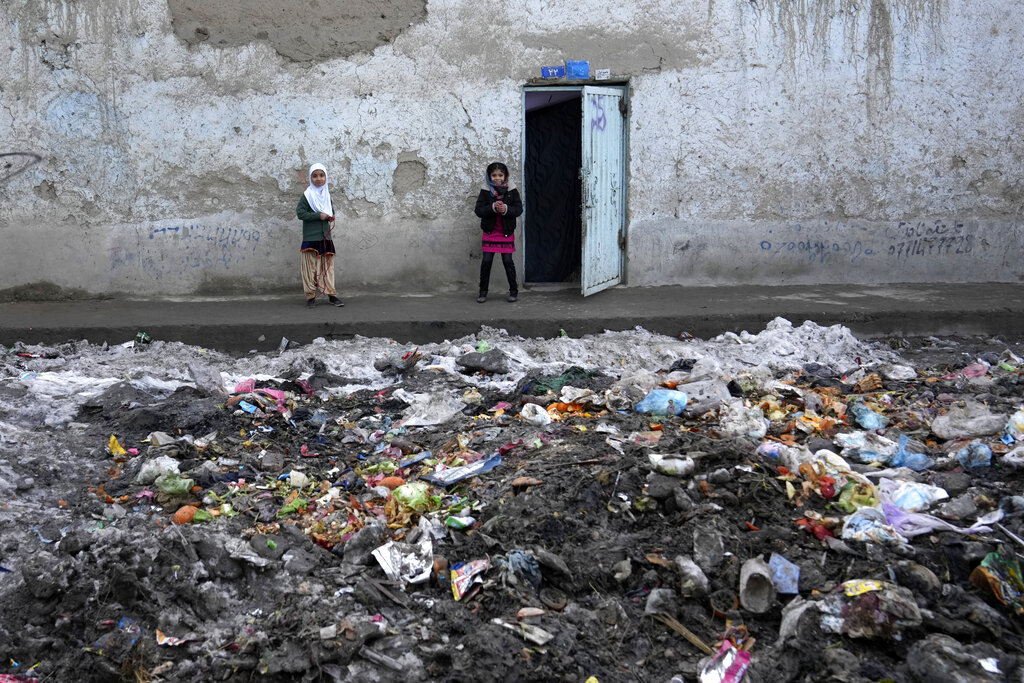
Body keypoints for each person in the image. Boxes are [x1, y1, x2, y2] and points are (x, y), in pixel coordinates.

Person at [474, 162, 523, 303]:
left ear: (505, 175)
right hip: (490, 232)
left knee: (507, 261)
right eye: (494, 175)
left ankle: (513, 291)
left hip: (506, 232)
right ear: (489, 176)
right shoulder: (485, 190)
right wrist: (492, 207)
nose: (497, 178)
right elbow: (478, 210)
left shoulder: (512, 190)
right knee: (486, 261)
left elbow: (518, 209)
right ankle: (483, 292)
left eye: (500, 175)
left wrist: (506, 209)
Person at [296, 163, 343, 307]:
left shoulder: (327, 195)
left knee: (328, 268)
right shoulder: (307, 195)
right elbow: (300, 213)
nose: (319, 179)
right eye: (315, 176)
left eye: (322, 175)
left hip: (325, 237)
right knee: (309, 269)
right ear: (311, 178)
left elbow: (331, 211)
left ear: (326, 177)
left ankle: (331, 295)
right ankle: (310, 296)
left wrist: (330, 217)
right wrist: (319, 216)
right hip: (311, 238)